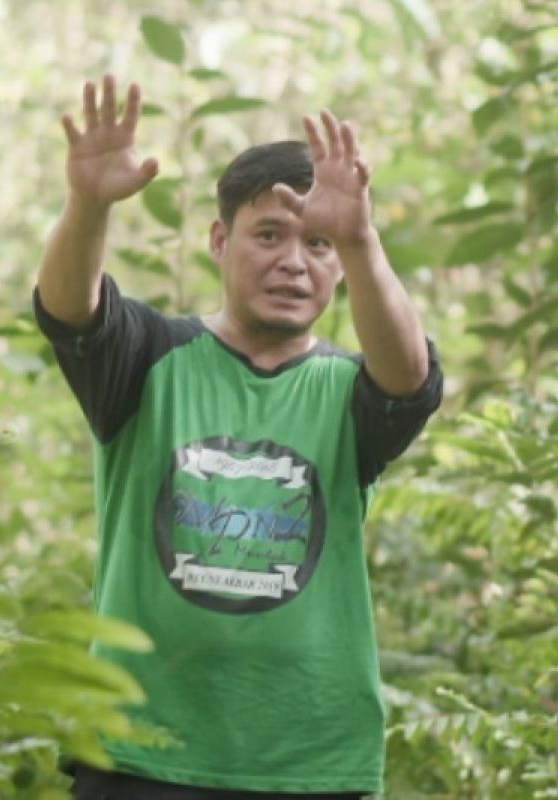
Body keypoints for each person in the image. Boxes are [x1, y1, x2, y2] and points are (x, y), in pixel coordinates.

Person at [34, 75, 442, 798]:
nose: (294, 261)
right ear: (220, 241)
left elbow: (409, 375)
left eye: (317, 245)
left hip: (313, 761)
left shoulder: (349, 392)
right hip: (137, 755)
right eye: (268, 235)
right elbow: (71, 310)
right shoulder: (148, 358)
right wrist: (89, 204)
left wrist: (359, 237)